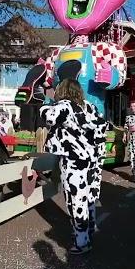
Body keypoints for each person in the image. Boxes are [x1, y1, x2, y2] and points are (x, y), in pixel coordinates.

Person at [40, 79, 106, 255]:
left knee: (75, 200)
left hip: (72, 159)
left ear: (62, 90)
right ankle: (90, 229)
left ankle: (81, 241)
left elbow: (49, 118)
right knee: (89, 197)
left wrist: (45, 105)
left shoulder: (64, 105)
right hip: (91, 159)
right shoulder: (89, 106)